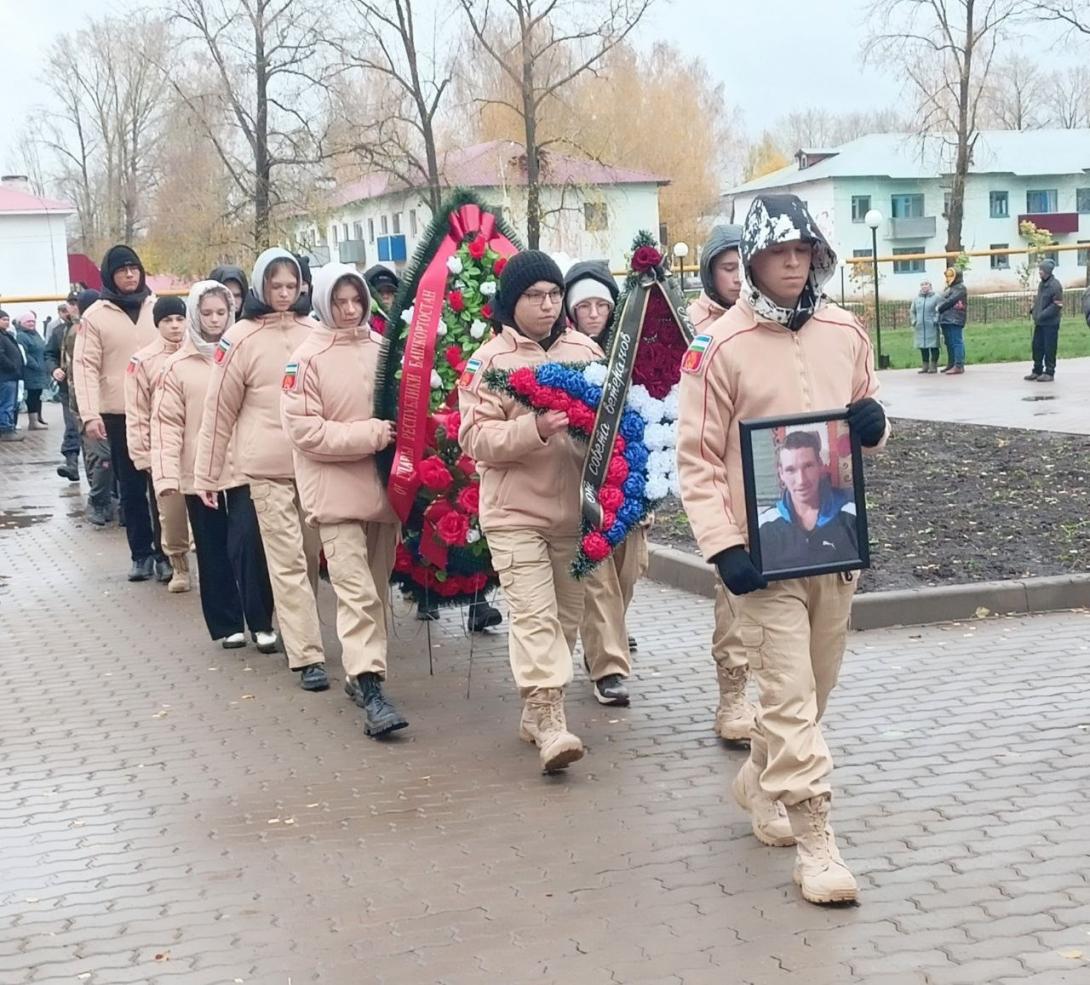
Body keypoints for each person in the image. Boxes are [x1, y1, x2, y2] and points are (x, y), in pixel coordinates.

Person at [677, 192, 888, 906]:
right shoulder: (718, 350)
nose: (793, 265)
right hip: (762, 562)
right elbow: (697, 461)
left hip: (834, 544)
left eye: (804, 251)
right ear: (752, 260)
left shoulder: (845, 331)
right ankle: (816, 842)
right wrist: (723, 545)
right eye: (778, 253)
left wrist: (874, 423)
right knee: (791, 694)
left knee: (814, 691)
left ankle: (757, 782)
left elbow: (867, 416)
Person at [459, 250, 603, 773]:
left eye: (554, 294)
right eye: (534, 296)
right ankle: (550, 722)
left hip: (573, 514)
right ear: (511, 302)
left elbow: (611, 423)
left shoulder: (585, 350)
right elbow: (474, 437)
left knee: (566, 619)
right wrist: (534, 429)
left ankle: (534, 711)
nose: (547, 305)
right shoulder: (491, 362)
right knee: (535, 617)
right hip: (513, 513)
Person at [281, 263, 407, 736]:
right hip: (333, 493)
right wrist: (371, 435)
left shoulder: (382, 349)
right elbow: (305, 430)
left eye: (357, 301)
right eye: (340, 301)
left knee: (375, 588)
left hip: (381, 491)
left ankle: (360, 673)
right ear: (323, 303)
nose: (350, 310)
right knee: (355, 591)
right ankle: (372, 686)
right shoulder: (305, 359)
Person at [195, 248, 329, 692]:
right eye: (276, 286)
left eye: (292, 286)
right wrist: (207, 475)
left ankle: (299, 631)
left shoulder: (318, 331)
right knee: (285, 560)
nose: (285, 294)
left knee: (308, 558)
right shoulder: (240, 338)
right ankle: (307, 654)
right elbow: (218, 411)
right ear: (259, 287)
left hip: (313, 465)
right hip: (265, 470)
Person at [152, 280, 278, 652]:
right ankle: (227, 623)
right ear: (195, 314)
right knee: (211, 547)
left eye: (221, 312)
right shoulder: (176, 367)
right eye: (206, 313)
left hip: (243, 467)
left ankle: (261, 620)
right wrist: (166, 475)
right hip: (198, 470)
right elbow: (167, 424)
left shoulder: (245, 353)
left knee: (249, 543)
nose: (214, 320)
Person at [564, 259, 639, 707]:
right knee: (597, 577)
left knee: (628, 573)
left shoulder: (632, 350)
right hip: (583, 485)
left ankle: (609, 635)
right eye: (584, 306)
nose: (594, 314)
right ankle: (606, 666)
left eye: (601, 305)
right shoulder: (566, 352)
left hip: (628, 484)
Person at [73, 245, 161, 578]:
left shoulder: (157, 308)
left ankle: (168, 553)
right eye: (122, 269)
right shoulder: (96, 316)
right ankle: (141, 553)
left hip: (159, 411)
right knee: (132, 488)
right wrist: (90, 414)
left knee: (163, 487)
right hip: (119, 414)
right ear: (110, 275)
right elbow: (84, 368)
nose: (129, 274)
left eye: (134, 268)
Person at [125, 296, 192, 590]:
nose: (175, 326)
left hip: (200, 444)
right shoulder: (143, 362)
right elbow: (137, 411)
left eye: (179, 319)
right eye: (167, 320)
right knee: (171, 510)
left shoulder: (201, 352)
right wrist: (144, 455)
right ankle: (178, 564)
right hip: (164, 448)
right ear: (157, 324)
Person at [756, 430, 859, 572]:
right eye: (791, 470)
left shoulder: (852, 514)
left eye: (808, 466)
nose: (801, 480)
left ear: (820, 465)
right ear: (781, 474)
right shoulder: (764, 526)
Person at [44, 296, 83, 479]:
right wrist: (54, 369)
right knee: (72, 426)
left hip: (90, 387)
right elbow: (49, 354)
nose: (74, 307)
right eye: (71, 303)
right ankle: (72, 465)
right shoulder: (59, 330)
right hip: (68, 388)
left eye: (76, 303)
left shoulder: (91, 327)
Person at [690, 224, 743, 333]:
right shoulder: (688, 323)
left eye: (745, 269)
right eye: (729, 268)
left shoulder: (771, 321)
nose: (739, 278)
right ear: (710, 272)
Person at [1026, 259, 1064, 383]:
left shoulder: (1055, 285)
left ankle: (1049, 372)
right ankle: (1037, 370)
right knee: (1037, 346)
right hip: (1040, 323)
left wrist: (1042, 314)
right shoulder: (1042, 284)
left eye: (1041, 270)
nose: (1039, 272)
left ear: (1047, 271)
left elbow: (1057, 305)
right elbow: (1040, 300)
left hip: (1050, 323)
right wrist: (1034, 309)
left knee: (1049, 348)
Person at [15, 313, 49, 430]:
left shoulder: (36, 334)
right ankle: (33, 421)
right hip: (30, 371)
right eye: (28, 322)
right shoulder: (21, 336)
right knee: (32, 395)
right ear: (22, 323)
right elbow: (24, 353)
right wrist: (35, 364)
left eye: (33, 321)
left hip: (40, 370)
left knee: (38, 394)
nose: (31, 324)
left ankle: (38, 418)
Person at [936, 266, 967, 375]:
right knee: (949, 342)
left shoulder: (960, 288)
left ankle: (958, 365)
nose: (948, 278)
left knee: (956, 342)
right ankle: (951, 363)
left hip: (955, 319)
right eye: (947, 276)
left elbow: (951, 300)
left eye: (951, 276)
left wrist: (940, 308)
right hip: (945, 319)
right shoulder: (949, 288)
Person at [0, 310, 25, 442]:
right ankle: (6, 430)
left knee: (10, 403)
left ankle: (8, 427)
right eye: (4, 319)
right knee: (6, 404)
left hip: (11, 376)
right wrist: (12, 366)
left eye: (8, 319)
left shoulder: (6, 335)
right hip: (6, 376)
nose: (7, 322)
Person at [909, 280, 941, 373]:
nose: (924, 286)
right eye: (922, 284)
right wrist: (914, 321)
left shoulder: (936, 297)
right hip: (920, 327)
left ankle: (934, 365)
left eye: (926, 284)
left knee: (934, 346)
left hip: (932, 326)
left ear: (930, 286)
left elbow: (939, 310)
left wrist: (935, 319)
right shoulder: (917, 299)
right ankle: (925, 365)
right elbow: (912, 311)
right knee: (923, 347)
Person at [364, 265, 400, 335]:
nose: (385, 296)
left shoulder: (404, 322)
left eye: (389, 291)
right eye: (379, 292)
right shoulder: (363, 325)